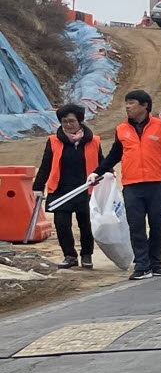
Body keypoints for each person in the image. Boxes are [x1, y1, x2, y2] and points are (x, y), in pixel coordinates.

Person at [91, 89, 161, 281]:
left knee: (157, 225)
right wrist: (98, 172)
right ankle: (141, 265)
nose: (127, 106)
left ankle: (156, 264)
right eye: (127, 103)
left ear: (145, 105)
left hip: (157, 183)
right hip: (132, 184)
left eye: (132, 103)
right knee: (136, 225)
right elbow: (115, 154)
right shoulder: (122, 129)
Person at [31, 103, 101, 270]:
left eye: (71, 121)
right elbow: (46, 165)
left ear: (80, 121)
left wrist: (109, 173)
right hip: (60, 190)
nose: (68, 125)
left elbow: (102, 162)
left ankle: (86, 255)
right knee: (62, 225)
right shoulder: (53, 141)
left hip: (85, 189)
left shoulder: (93, 141)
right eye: (64, 122)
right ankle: (69, 256)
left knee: (86, 224)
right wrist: (38, 186)